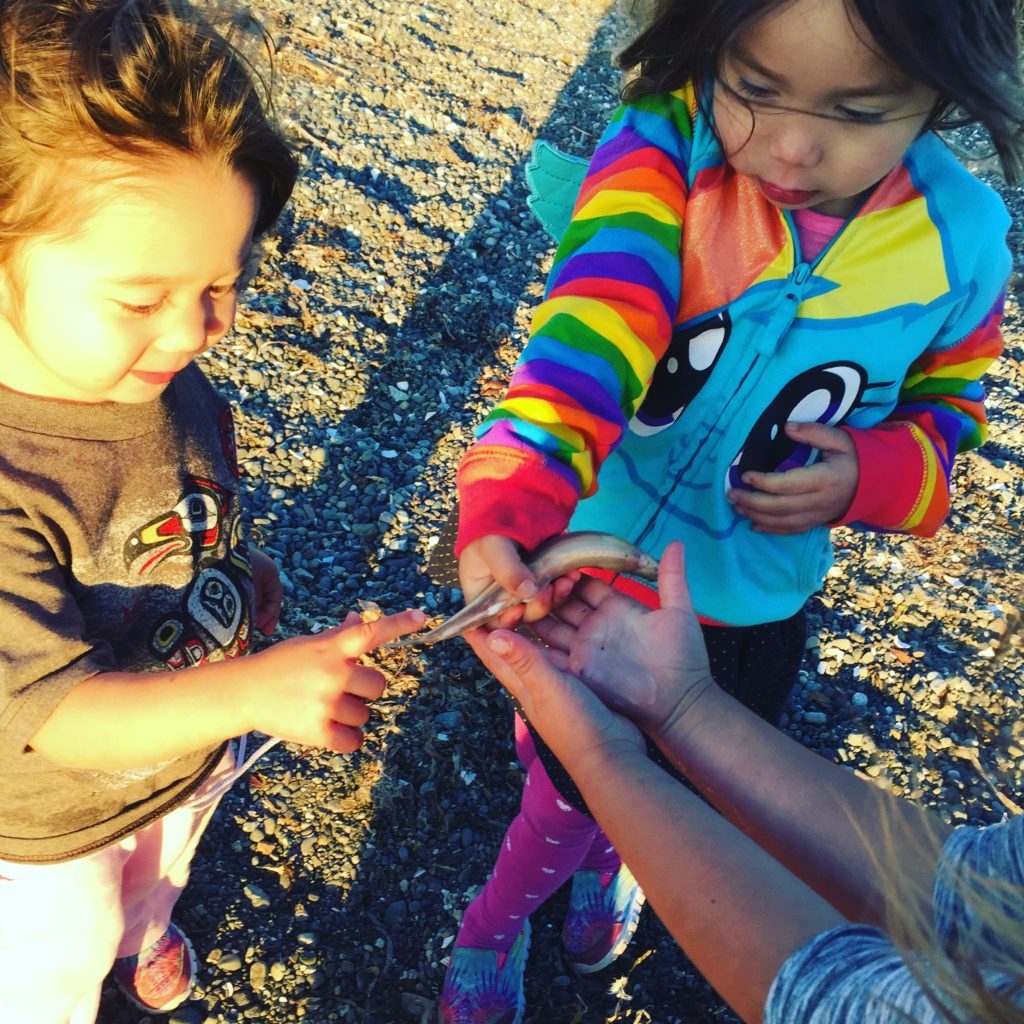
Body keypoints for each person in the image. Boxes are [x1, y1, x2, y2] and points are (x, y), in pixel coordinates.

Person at [439, 0, 1024, 1019]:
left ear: (943, 94)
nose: (792, 146)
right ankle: (493, 921)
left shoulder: (963, 240)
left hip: (749, 609)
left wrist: (875, 476)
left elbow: (952, 408)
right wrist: (513, 494)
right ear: (707, 47)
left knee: (680, 784)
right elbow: (587, 330)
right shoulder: (666, 145)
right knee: (566, 789)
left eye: (860, 108)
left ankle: (621, 866)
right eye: (752, 88)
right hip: (589, 581)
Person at [0, 2, 425, 1022]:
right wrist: (251, 693)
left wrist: (235, 577)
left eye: (223, 282)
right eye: (140, 297)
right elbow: (46, 714)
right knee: (54, 961)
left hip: (181, 753)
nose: (193, 328)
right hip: (44, 832)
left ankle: (144, 926)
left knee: (164, 866)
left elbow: (190, 512)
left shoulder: (159, 381)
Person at [467, 543, 1024, 1024]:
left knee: (640, 798)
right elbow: (979, 888)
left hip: (745, 631)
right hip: (624, 625)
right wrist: (673, 715)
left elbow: (842, 996)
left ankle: (610, 855)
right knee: (560, 803)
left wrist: (866, 472)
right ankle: (490, 926)